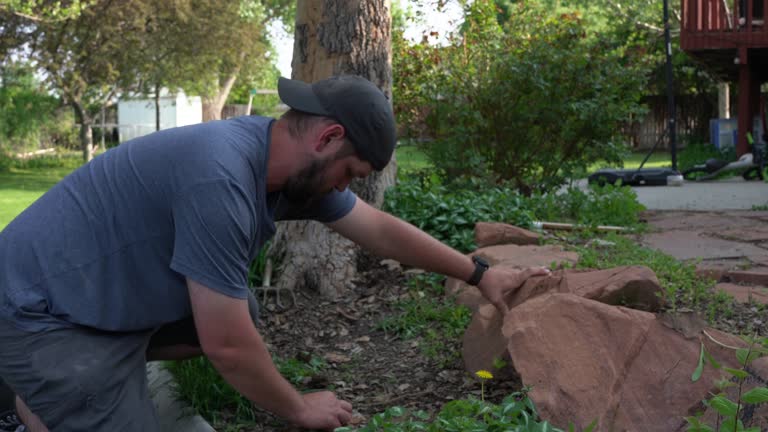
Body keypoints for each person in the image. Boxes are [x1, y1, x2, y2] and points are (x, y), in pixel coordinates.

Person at [0, 75, 549, 431]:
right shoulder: (220, 179)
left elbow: (378, 229)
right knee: (230, 328)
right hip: (36, 312)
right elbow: (227, 346)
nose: (346, 189)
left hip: (86, 294)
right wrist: (297, 406)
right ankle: (52, 393)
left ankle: (65, 393)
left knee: (245, 313)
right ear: (329, 137)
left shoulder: (274, 166)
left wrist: (479, 274)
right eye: (351, 174)